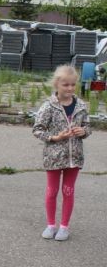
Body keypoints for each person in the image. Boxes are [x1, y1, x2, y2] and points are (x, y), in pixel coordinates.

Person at [33, 65, 91, 241]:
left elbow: (87, 126)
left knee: (68, 191)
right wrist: (55, 137)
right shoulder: (48, 106)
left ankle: (64, 227)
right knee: (52, 191)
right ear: (57, 84)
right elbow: (37, 130)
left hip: (75, 158)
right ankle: (51, 225)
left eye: (73, 84)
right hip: (53, 157)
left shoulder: (81, 105)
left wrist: (84, 131)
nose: (70, 88)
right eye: (66, 85)